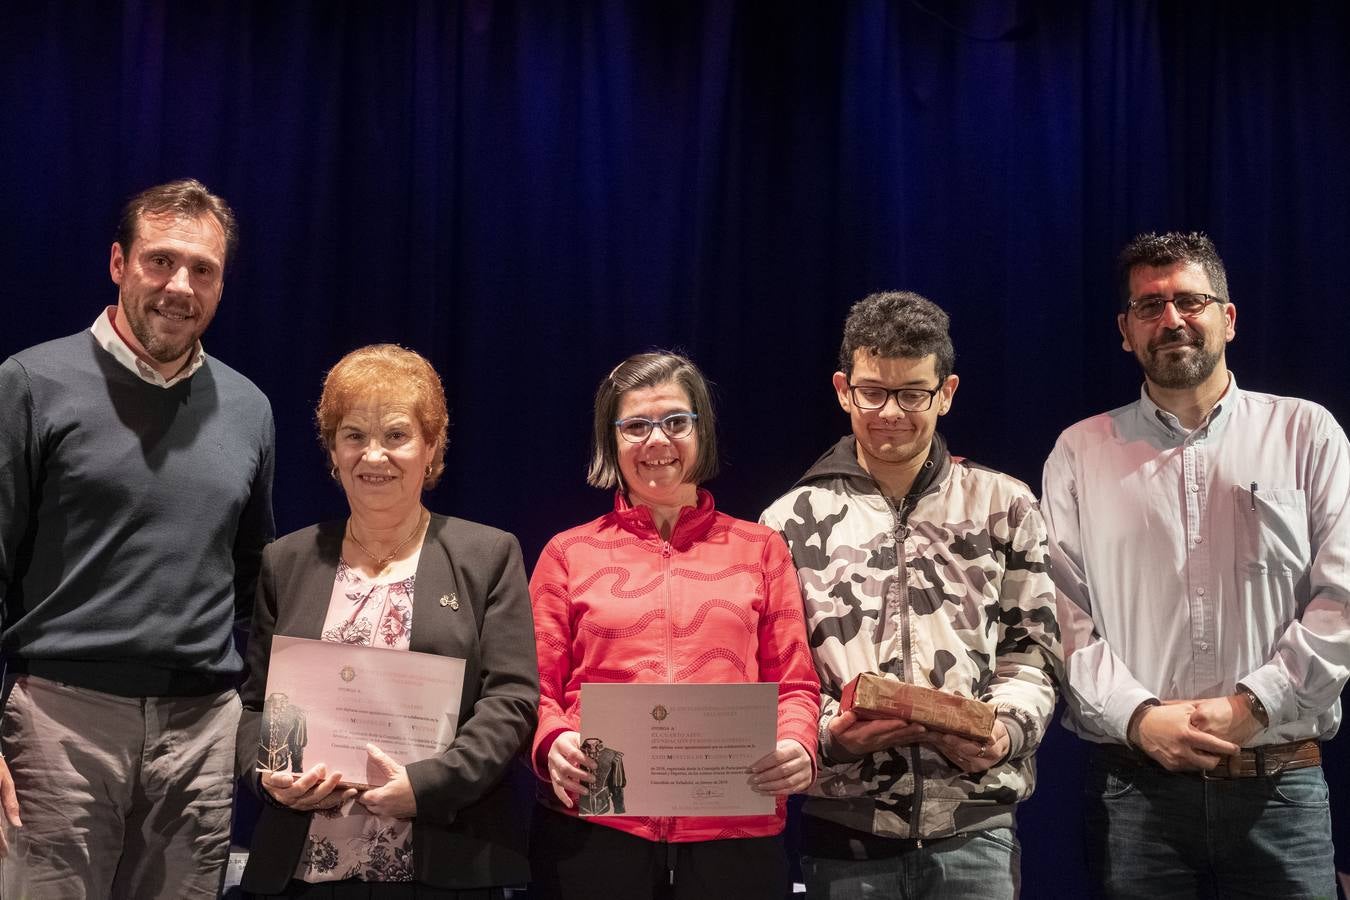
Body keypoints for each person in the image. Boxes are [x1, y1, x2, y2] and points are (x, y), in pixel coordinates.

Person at [1041, 232, 1349, 898]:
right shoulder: (1081, 453)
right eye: (1149, 306)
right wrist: (1139, 717)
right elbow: (1060, 617)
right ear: (1126, 331)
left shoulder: (1306, 433)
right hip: (1134, 792)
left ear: (1228, 318)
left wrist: (1255, 706)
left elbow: (1342, 600)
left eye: (1189, 300)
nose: (1171, 319)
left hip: (1281, 788)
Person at [0, 178, 275, 897]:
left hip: (201, 736)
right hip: (60, 728)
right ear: (119, 263)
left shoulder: (249, 408)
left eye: (203, 269)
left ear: (221, 284)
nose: (179, 285)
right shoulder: (31, 382)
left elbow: (251, 578)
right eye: (160, 261)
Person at [761, 292, 1060, 899]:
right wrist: (830, 736)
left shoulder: (1005, 505)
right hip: (843, 832)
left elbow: (1033, 656)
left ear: (946, 392)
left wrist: (1002, 731)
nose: (890, 412)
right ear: (844, 389)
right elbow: (775, 674)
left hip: (977, 832)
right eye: (872, 392)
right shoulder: (787, 521)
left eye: (913, 394)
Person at [235, 344, 538, 898]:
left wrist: (425, 786)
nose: (374, 455)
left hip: (444, 859)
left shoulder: (487, 555)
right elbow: (256, 706)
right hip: (305, 869)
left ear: (431, 447)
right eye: (354, 435)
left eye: (396, 435)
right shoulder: (287, 560)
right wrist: (269, 773)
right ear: (332, 452)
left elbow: (511, 701)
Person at [528, 351, 821, 900]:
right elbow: (533, 689)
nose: (657, 441)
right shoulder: (567, 553)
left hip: (734, 832)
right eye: (636, 425)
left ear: (700, 431)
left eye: (675, 422)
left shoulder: (761, 549)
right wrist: (553, 741)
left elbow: (797, 684)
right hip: (595, 831)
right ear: (610, 440)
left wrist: (798, 745)